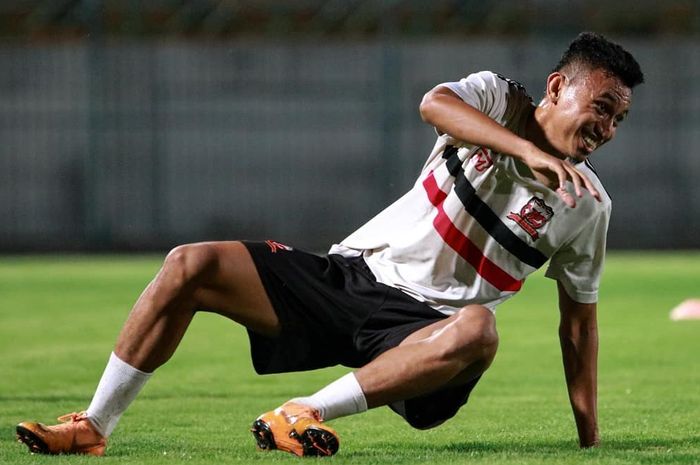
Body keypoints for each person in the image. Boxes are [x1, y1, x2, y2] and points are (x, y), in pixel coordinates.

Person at [16, 31, 644, 457]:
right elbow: (435, 104)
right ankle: (93, 426)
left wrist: (589, 440)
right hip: (350, 281)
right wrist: (527, 150)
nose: (608, 128)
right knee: (191, 263)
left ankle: (305, 412)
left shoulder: (587, 207)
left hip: (425, 336)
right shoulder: (498, 98)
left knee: (479, 328)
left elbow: (578, 324)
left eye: (619, 118)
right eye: (603, 106)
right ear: (558, 86)